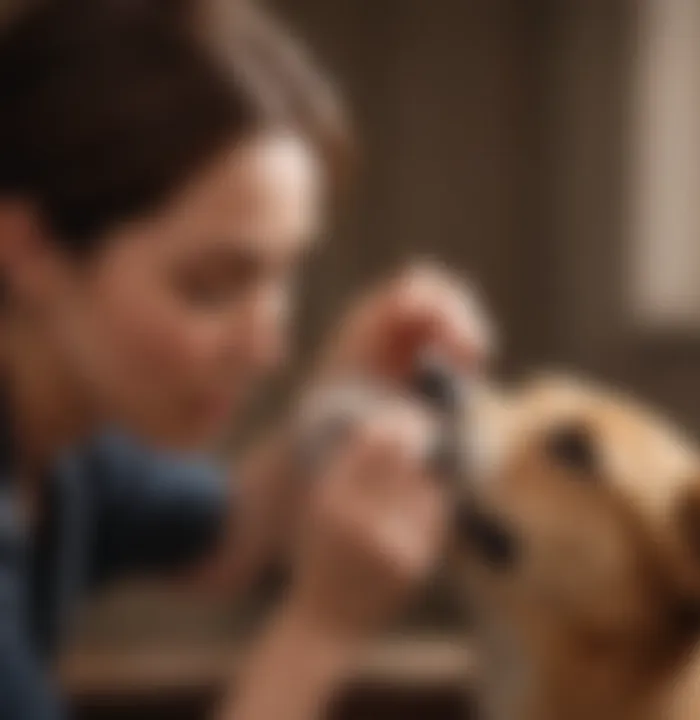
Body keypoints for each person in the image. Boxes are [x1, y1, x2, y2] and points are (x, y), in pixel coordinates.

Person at [0, 1, 488, 718]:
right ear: (29, 248)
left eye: (284, 273)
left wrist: (339, 395)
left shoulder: (64, 436)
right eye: (211, 286)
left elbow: (227, 537)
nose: (269, 350)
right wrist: (320, 632)